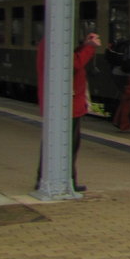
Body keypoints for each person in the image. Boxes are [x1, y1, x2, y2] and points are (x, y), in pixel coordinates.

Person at [35, 32, 101, 192]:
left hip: (66, 103)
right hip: (66, 104)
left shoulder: (50, 40)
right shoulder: (56, 40)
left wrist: (83, 45)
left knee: (61, 143)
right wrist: (90, 48)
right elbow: (73, 64)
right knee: (68, 144)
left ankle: (57, 178)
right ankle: (64, 180)